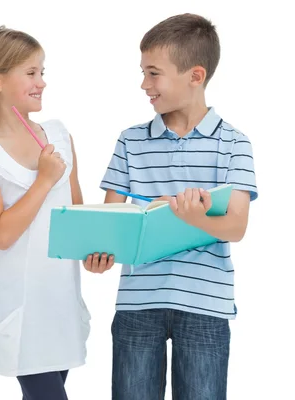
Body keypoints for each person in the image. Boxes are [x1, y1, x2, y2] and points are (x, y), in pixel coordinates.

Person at [84, 14, 258, 399]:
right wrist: (99, 253)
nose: (144, 84)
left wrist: (193, 215)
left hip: (205, 303)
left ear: (195, 76)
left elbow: (237, 227)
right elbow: (110, 221)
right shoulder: (131, 140)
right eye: (143, 73)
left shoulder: (234, 143)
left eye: (154, 73)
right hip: (137, 301)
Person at [0, 25, 90, 400]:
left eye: (42, 72)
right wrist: (44, 180)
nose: (41, 82)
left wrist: (100, 248)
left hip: (61, 300)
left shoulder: (59, 136)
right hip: (24, 308)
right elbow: (1, 234)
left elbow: (77, 218)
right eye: (31, 73)